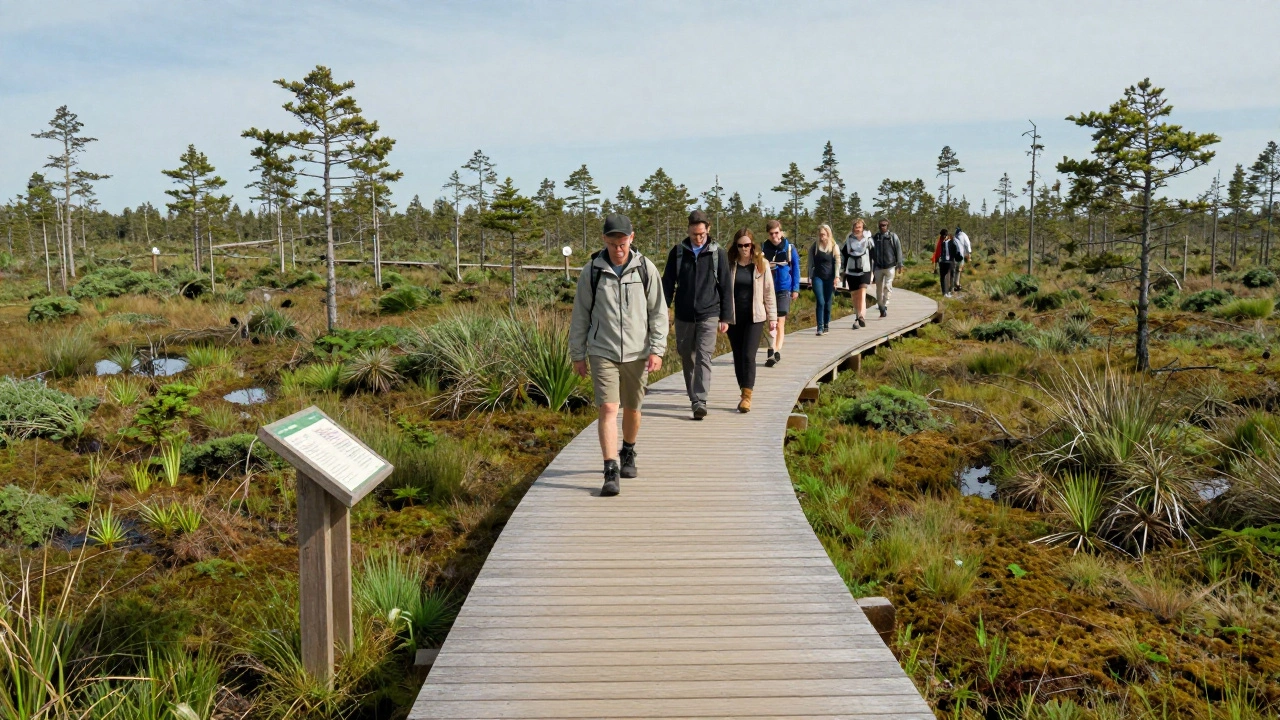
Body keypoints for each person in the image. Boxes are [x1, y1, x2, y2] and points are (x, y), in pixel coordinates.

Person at [570, 214, 668, 497]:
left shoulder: (645, 269)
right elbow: (580, 316)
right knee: (608, 409)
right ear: (604, 240)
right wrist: (578, 354)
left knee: (633, 409)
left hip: (638, 352)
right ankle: (610, 469)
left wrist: (657, 349)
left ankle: (628, 451)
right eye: (613, 243)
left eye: (623, 243)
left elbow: (658, 313)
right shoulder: (592, 271)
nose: (618, 249)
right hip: (603, 351)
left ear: (632, 238)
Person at [662, 209, 731, 420]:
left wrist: (725, 316)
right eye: (694, 234)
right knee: (687, 357)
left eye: (701, 233)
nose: (698, 238)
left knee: (704, 356)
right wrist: (663, 310)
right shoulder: (678, 252)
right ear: (688, 231)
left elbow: (726, 286)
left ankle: (700, 400)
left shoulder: (718, 253)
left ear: (708, 229)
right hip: (683, 314)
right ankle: (694, 398)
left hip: (709, 313)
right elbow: (667, 283)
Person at [725, 229, 777, 412]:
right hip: (734, 318)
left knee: (748, 355)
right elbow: (723, 292)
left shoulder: (761, 264)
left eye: (747, 245)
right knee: (738, 357)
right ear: (736, 246)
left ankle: (747, 397)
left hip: (755, 317)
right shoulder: (730, 265)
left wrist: (773, 318)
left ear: (752, 245)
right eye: (740, 245)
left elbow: (769, 293)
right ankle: (743, 392)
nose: (744, 248)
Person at [761, 219, 799, 367]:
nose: (774, 236)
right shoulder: (764, 248)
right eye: (771, 234)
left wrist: (795, 288)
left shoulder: (789, 248)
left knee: (780, 321)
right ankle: (772, 348)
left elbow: (795, 268)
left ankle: (775, 350)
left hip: (784, 287)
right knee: (771, 321)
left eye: (777, 233)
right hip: (768, 288)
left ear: (781, 232)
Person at [840, 218, 874, 328]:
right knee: (854, 295)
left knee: (862, 293)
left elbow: (874, 255)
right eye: (856, 227)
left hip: (865, 269)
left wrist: (874, 271)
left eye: (859, 227)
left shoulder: (868, 239)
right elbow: (844, 255)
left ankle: (861, 316)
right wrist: (842, 271)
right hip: (851, 270)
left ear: (863, 227)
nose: (857, 229)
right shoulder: (848, 239)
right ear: (853, 228)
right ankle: (857, 315)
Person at [807, 224, 841, 335]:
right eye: (820, 235)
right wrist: (809, 277)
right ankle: (819, 327)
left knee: (827, 301)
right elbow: (810, 262)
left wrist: (836, 276)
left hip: (829, 277)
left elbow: (837, 262)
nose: (822, 237)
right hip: (818, 276)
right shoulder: (815, 246)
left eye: (824, 235)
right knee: (820, 301)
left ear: (828, 234)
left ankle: (826, 323)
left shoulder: (833, 246)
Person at [870, 218, 904, 318]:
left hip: (890, 266)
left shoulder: (893, 237)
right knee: (878, 289)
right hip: (878, 267)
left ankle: (885, 304)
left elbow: (898, 250)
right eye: (881, 225)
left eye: (884, 225)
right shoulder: (875, 238)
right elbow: (871, 253)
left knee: (888, 286)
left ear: (888, 225)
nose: (882, 227)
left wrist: (900, 264)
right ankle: (880, 306)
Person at [931, 228, 962, 297]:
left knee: (944, 277)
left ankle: (945, 292)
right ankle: (949, 291)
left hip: (942, 262)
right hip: (950, 262)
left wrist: (935, 265)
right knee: (951, 276)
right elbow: (956, 252)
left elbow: (937, 254)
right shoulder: (951, 241)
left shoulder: (940, 242)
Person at [953, 225, 972, 291]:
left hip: (959, 255)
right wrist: (969, 253)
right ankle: (956, 284)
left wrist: (969, 253)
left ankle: (956, 284)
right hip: (960, 255)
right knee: (958, 269)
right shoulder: (959, 236)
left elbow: (967, 244)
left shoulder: (962, 235)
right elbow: (967, 244)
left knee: (957, 269)